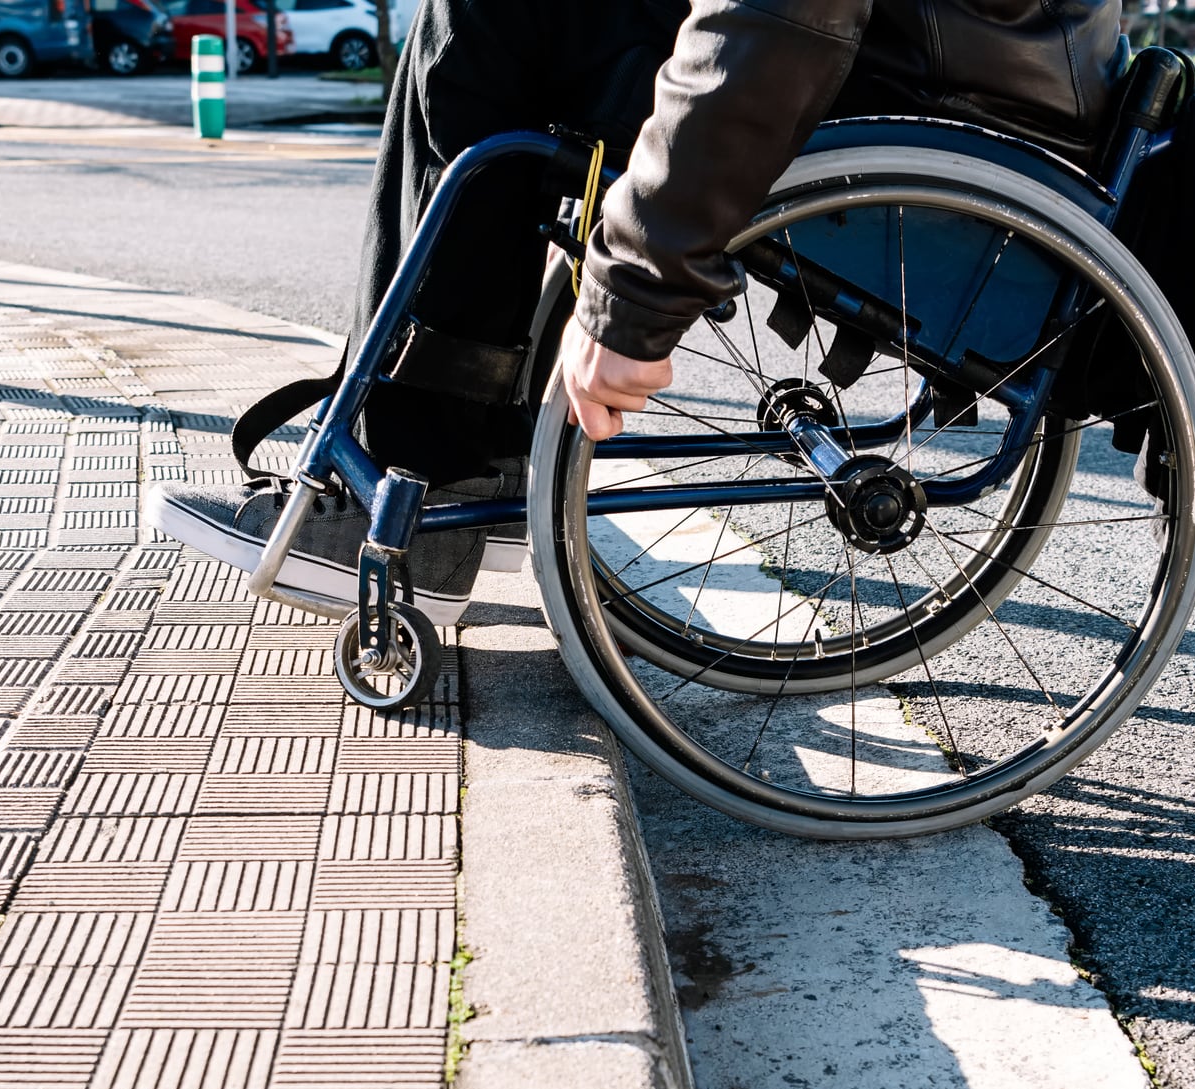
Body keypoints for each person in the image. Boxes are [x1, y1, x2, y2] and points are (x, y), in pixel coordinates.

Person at [148, 0, 1124, 625]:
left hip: (903, 75)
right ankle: (443, 462)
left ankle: (416, 478)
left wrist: (634, 290)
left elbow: (778, 20)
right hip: (950, 58)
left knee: (485, 27)